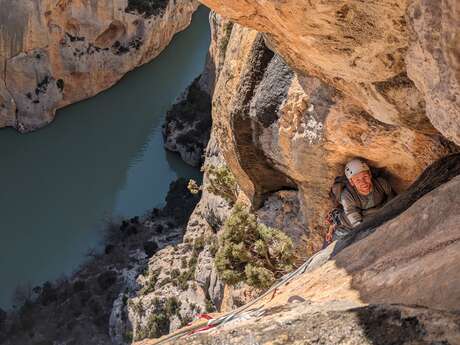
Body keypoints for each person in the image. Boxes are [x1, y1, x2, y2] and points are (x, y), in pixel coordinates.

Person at [325, 158, 395, 243]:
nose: (363, 182)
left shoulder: (381, 184)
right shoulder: (347, 195)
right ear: (351, 182)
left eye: (365, 177)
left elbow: (393, 200)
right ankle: (333, 227)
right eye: (357, 180)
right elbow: (354, 219)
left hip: (374, 216)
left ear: (370, 174)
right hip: (347, 227)